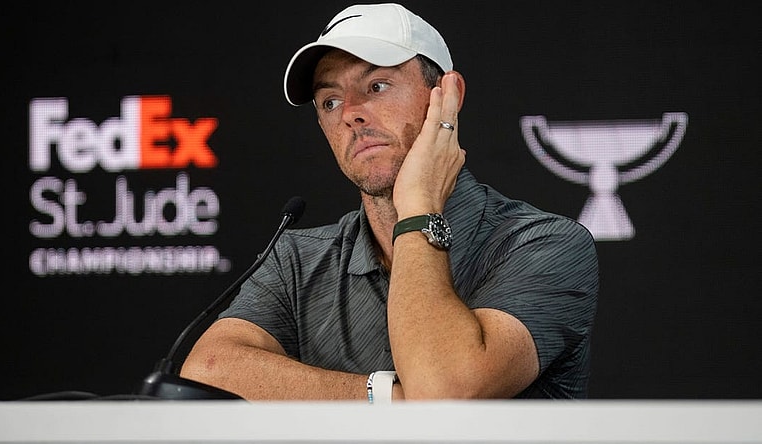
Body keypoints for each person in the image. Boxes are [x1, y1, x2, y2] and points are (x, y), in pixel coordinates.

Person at [181, 3, 599, 401]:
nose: (351, 114)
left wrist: (418, 205)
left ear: (447, 96)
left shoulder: (545, 244)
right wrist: (389, 399)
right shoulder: (295, 261)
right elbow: (210, 370)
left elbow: (443, 389)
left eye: (376, 86)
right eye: (330, 101)